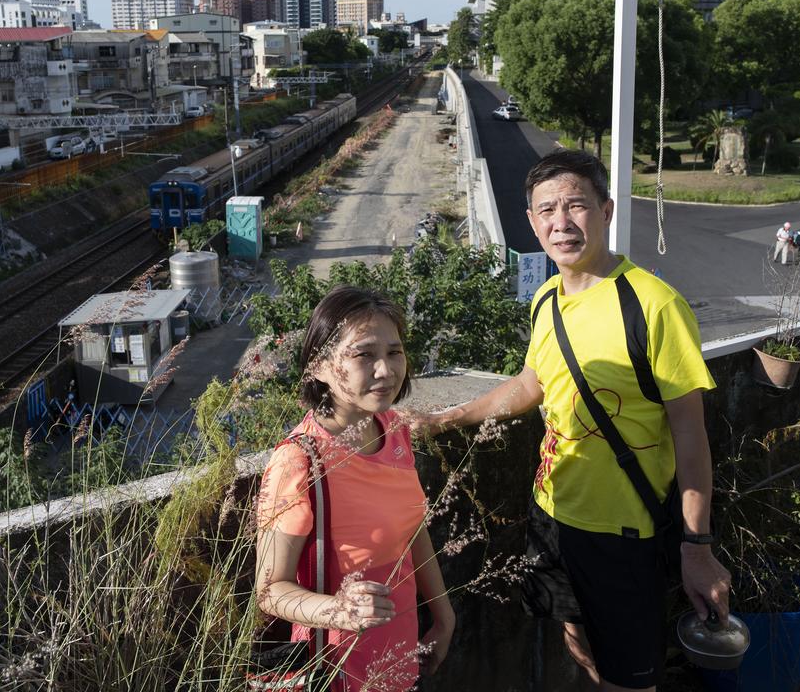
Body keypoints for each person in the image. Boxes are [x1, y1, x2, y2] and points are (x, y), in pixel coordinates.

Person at [413, 149, 729, 691]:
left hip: (624, 531)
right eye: (547, 210)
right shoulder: (546, 299)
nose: (561, 222)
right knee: (576, 641)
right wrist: (450, 416)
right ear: (533, 223)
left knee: (631, 678)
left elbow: (691, 435)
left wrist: (697, 549)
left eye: (575, 205)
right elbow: (533, 382)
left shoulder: (652, 305)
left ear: (606, 211)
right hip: (552, 512)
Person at [256, 287, 455, 692]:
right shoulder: (298, 461)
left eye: (395, 352)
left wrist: (444, 617)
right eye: (364, 354)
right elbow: (269, 590)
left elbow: (412, 531)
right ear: (320, 367)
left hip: (401, 655)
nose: (385, 369)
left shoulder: (393, 429)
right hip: (337, 669)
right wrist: (339, 610)